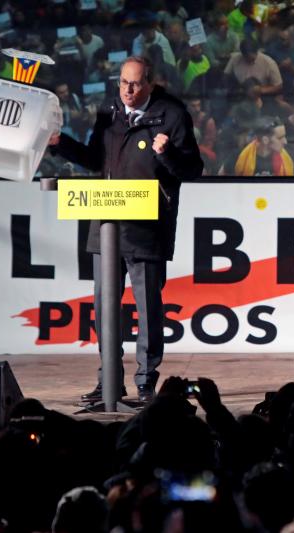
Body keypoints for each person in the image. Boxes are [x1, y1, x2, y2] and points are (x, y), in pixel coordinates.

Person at [48, 56, 203, 404]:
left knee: (148, 309)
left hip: (148, 228)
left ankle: (146, 384)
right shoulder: (109, 112)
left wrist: (166, 155)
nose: (128, 91)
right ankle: (109, 383)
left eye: (134, 84)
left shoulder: (172, 115)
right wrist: (61, 144)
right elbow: (94, 159)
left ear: (149, 83)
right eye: (122, 83)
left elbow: (192, 170)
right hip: (106, 225)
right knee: (105, 310)